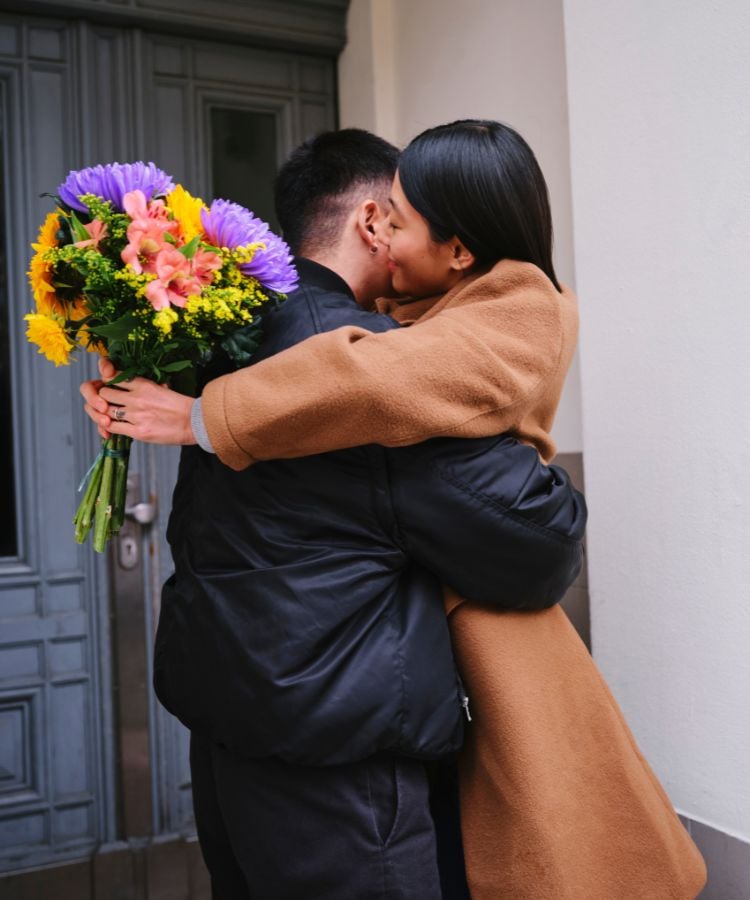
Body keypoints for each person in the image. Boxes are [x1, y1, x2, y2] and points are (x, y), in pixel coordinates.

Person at [82, 124, 586, 898]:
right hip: (339, 775)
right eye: (401, 216)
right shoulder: (367, 368)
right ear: (369, 221)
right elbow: (534, 548)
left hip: (226, 740)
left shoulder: (226, 339)